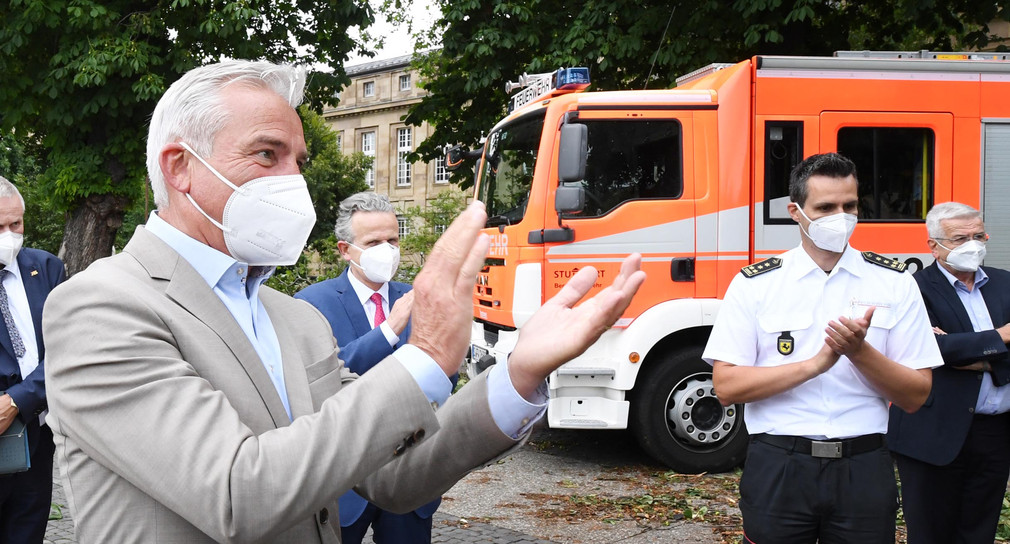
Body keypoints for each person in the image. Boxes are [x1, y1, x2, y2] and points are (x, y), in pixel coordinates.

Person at [40, 59, 646, 544]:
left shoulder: (294, 318)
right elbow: (235, 494)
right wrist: (428, 354)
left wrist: (517, 376)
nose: (292, 181)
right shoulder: (100, 305)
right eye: (266, 154)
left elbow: (386, 473)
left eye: (297, 162)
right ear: (181, 168)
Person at [702, 152, 941, 544]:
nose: (840, 217)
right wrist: (815, 364)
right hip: (780, 464)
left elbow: (916, 395)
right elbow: (727, 387)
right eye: (826, 207)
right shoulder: (756, 284)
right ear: (795, 211)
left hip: (863, 467)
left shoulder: (894, 283)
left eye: (850, 206)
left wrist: (860, 353)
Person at [295, 192, 438, 544]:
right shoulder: (311, 304)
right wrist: (389, 331)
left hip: (410, 474)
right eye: (373, 242)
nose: (387, 250)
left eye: (392, 239)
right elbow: (324, 376)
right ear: (345, 249)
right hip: (345, 480)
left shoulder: (417, 297)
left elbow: (443, 375)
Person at [887, 202, 1010, 544]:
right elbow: (927, 351)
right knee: (930, 533)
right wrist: (1001, 338)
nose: (973, 245)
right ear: (934, 246)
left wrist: (966, 351)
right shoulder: (911, 289)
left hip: (994, 435)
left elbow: (947, 350)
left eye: (978, 236)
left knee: (979, 531)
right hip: (932, 431)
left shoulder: (1005, 283)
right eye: (960, 238)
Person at [0, 176, 65, 544]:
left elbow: (66, 347)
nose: (9, 235)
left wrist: (18, 400)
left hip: (35, 438)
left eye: (16, 224)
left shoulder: (48, 268)